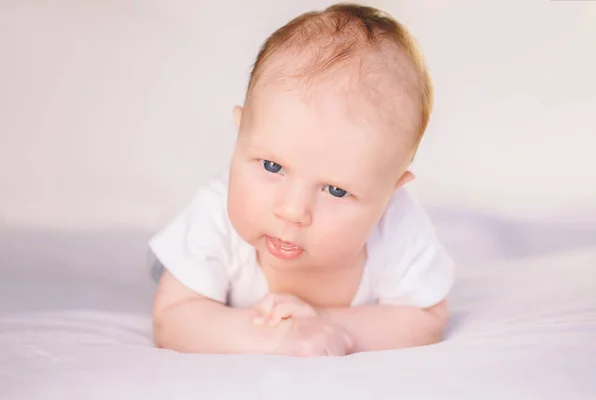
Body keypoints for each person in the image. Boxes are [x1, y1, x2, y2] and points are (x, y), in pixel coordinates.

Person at [150, 3, 454, 357]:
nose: (293, 210)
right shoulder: (215, 214)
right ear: (241, 134)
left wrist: (326, 325)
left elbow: (427, 317)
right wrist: (271, 337)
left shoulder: (396, 225)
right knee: (179, 270)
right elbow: (173, 317)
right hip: (198, 265)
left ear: (390, 192)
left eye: (336, 190)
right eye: (272, 167)